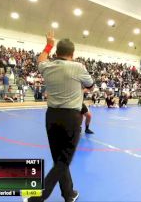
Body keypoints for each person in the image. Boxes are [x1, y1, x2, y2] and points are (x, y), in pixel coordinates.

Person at [29, 31, 93, 202]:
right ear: (72, 54)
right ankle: (38, 196)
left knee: (59, 159)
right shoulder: (78, 67)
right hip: (71, 118)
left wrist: (48, 44)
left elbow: (41, 59)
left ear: (56, 53)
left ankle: (68, 194)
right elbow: (91, 85)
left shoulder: (47, 66)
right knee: (63, 160)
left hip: (51, 117)